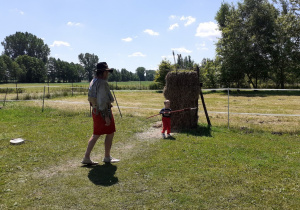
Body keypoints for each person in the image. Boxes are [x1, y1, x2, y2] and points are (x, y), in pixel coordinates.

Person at [81, 62, 120, 165]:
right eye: (106, 72)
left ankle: (87, 157)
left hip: (95, 110)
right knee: (109, 133)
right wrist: (106, 116)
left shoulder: (93, 81)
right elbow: (102, 100)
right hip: (102, 112)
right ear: (103, 72)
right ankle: (106, 157)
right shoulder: (102, 83)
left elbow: (91, 98)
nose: (108, 74)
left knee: (97, 134)